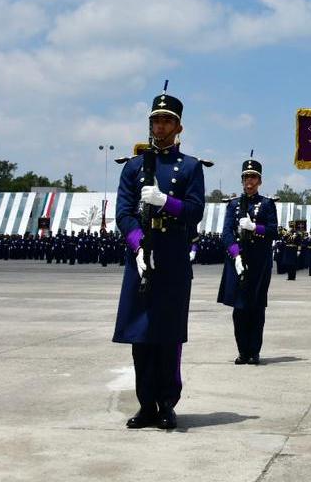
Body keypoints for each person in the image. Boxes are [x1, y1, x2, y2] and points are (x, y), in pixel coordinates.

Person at [112, 90, 205, 430]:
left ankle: (167, 403)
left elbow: (195, 210)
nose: (160, 126)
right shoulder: (134, 167)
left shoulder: (191, 167)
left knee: (168, 336)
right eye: (156, 120)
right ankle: (146, 403)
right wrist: (138, 246)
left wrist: (166, 201)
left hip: (172, 257)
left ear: (178, 127)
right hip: (141, 258)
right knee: (141, 337)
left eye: (167, 121)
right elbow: (123, 213)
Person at [218, 155, 279, 365]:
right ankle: (242, 351)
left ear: (259, 181)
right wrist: (235, 254)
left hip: (259, 262)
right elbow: (226, 232)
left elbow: (273, 231)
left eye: (253, 177)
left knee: (256, 308)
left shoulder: (267, 204)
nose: (249, 181)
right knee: (239, 309)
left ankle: (254, 351)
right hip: (237, 261)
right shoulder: (233, 204)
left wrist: (255, 228)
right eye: (246, 177)